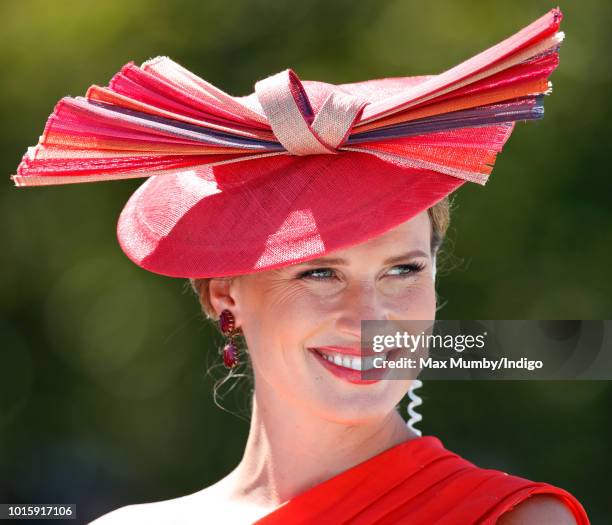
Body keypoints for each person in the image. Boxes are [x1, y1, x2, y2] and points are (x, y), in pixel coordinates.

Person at [12, 6, 590, 524]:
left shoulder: (513, 519)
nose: (370, 316)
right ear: (224, 293)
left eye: (404, 270)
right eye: (319, 273)